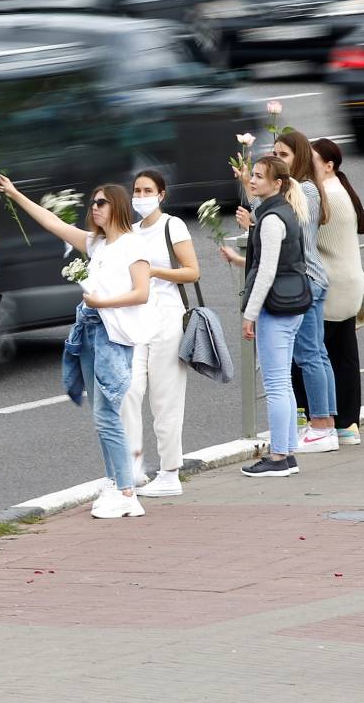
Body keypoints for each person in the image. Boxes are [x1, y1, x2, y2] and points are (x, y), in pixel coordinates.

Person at [0, 178, 152, 517]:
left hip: (113, 335)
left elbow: (142, 292)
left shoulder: (133, 245)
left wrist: (104, 301)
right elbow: (53, 223)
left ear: (117, 206)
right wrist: (15, 194)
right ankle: (114, 482)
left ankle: (128, 493)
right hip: (90, 331)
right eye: (93, 203)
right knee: (101, 416)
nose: (94, 208)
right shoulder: (97, 243)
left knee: (106, 414)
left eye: (101, 203)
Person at [240, 130, 338, 453]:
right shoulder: (294, 196)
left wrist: (249, 314)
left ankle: (319, 427)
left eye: (283, 155)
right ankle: (306, 434)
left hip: (300, 284)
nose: (254, 180)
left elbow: (271, 259)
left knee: (303, 361)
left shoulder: (301, 194)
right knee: (310, 357)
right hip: (303, 282)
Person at [220, 156, 312, 478]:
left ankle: (277, 457)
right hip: (292, 303)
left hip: (276, 307)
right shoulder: (282, 212)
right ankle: (287, 453)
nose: (254, 180)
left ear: (277, 184)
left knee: (275, 384)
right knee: (283, 381)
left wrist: (250, 312)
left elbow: (266, 270)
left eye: (260, 177)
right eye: (253, 175)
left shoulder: (272, 219)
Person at [122, 170, 199, 497]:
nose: (141, 196)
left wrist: (153, 271)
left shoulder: (172, 226)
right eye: (137, 190)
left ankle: (170, 473)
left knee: (165, 400)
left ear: (161, 194)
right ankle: (132, 464)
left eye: (147, 190)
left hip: (168, 319)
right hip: (137, 320)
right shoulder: (131, 232)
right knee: (129, 389)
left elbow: (192, 271)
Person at [313, 137, 364, 445]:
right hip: (348, 281)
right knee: (344, 354)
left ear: (328, 165)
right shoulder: (340, 189)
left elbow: (299, 234)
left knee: (317, 356)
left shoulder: (327, 196)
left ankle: (325, 421)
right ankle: (348, 424)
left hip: (330, 284)